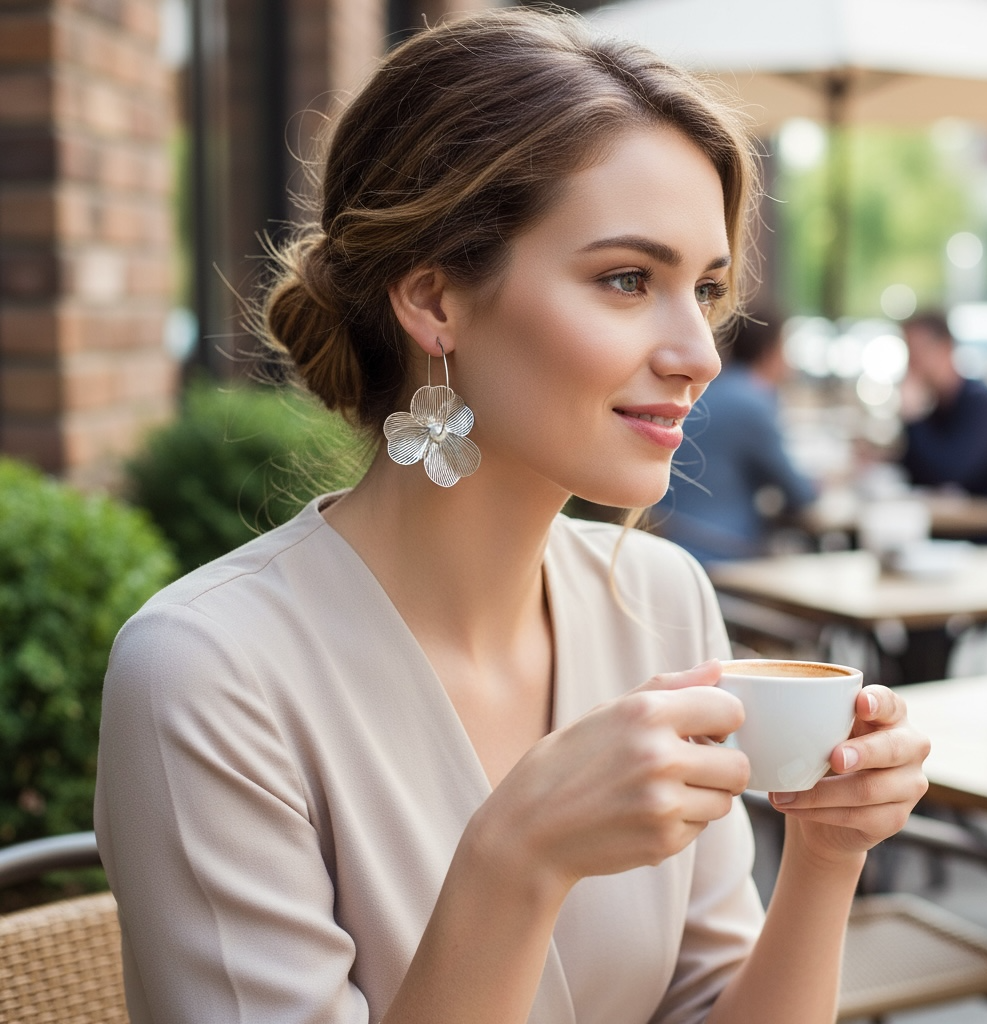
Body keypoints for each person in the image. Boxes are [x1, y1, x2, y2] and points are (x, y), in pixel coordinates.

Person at [94, 11, 929, 1024]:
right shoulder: (206, 672)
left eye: (703, 288)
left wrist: (827, 854)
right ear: (434, 301)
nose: (699, 351)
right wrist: (515, 857)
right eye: (627, 279)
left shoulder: (661, 602)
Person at [652, 311, 817, 564]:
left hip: (668, 537)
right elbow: (799, 493)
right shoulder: (751, 403)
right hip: (722, 550)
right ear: (769, 350)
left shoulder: (706, 392)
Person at [899, 310, 987, 506]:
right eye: (909, 352)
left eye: (919, 351)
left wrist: (913, 417)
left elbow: (949, 473)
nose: (913, 363)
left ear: (946, 348)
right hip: (965, 525)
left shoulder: (980, 403)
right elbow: (916, 474)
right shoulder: (936, 407)